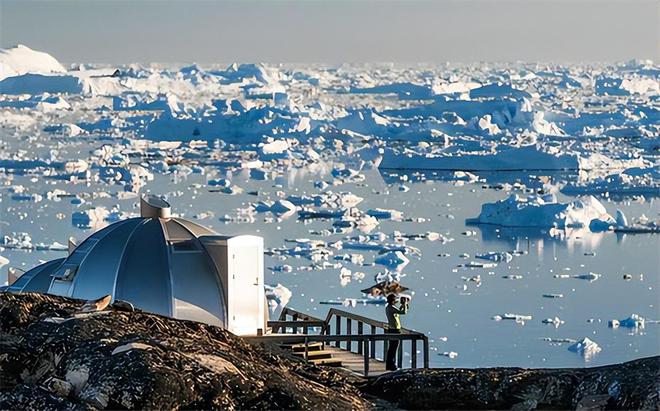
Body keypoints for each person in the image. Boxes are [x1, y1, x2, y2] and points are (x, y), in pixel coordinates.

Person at [385, 293, 409, 371]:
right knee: (393, 348)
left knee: (392, 348)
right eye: (395, 299)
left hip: (392, 329)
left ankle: (390, 364)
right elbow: (403, 312)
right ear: (392, 300)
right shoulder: (391, 308)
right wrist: (404, 304)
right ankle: (391, 365)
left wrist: (403, 305)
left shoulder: (389, 307)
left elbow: (399, 311)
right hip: (394, 330)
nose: (396, 301)